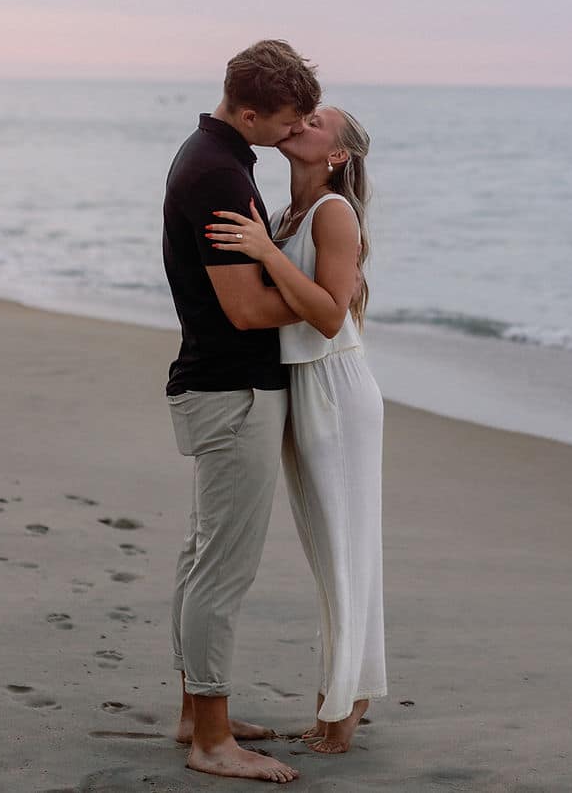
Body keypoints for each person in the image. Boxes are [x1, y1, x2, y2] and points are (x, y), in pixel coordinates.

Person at [161, 39, 319, 783]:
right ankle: (212, 742)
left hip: (222, 387)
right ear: (248, 112)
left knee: (204, 558)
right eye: (288, 120)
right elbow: (246, 310)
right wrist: (323, 301)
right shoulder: (218, 172)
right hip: (233, 392)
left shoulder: (217, 157)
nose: (298, 131)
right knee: (222, 571)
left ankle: (197, 716)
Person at [206, 105, 386, 754]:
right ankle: (345, 691)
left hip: (335, 388)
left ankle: (346, 702)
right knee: (326, 547)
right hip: (303, 385)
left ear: (337, 155)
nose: (301, 123)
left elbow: (330, 316)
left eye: (315, 122)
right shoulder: (287, 214)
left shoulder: (333, 213)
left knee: (343, 549)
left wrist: (263, 252)